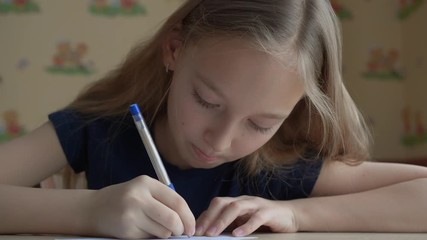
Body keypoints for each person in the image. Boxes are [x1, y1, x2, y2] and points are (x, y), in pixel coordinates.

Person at [1, 0, 426, 239]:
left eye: (260, 124)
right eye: (207, 100)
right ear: (174, 51)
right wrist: (90, 210)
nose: (221, 141)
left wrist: (298, 215)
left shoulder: (275, 167)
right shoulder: (99, 127)